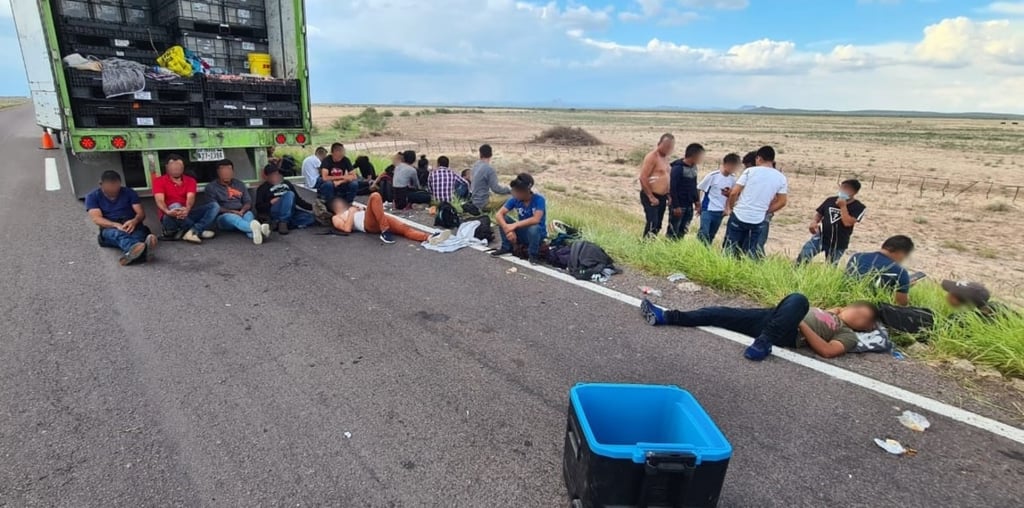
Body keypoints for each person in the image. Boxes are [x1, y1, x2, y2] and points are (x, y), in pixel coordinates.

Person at [641, 294, 879, 361]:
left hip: (789, 333)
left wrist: (802, 325)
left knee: (799, 299)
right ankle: (666, 317)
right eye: (857, 309)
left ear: (866, 327)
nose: (856, 315)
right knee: (717, 313)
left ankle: (764, 343)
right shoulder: (828, 312)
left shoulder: (848, 334)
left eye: (863, 318)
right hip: (771, 319)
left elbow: (827, 351)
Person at [723, 146, 788, 258]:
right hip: (758, 219)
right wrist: (765, 210)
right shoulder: (781, 178)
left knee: (730, 248)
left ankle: (725, 270)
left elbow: (734, 193)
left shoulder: (750, 171)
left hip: (739, 215)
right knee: (751, 251)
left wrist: (732, 207)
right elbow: (782, 201)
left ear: (758, 158)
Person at [86, 170, 157, 265]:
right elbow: (96, 218)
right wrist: (115, 225)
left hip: (131, 224)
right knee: (117, 235)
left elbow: (141, 213)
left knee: (138, 234)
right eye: (109, 188)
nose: (114, 191)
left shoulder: (129, 192)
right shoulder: (93, 197)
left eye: (116, 187)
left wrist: (134, 221)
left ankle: (133, 254)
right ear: (101, 184)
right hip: (110, 227)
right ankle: (141, 251)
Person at [152, 153, 219, 244]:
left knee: (214, 206)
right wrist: (167, 211)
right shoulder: (159, 181)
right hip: (169, 216)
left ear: (183, 167)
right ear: (167, 167)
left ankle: (193, 230)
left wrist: (187, 209)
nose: (176, 168)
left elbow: (190, 198)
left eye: (179, 166)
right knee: (176, 205)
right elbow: (159, 200)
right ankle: (198, 231)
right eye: (173, 166)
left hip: (186, 214)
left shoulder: (190, 181)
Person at [797, 180, 867, 265]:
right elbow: (819, 214)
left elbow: (847, 223)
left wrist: (843, 206)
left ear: (854, 192)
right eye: (842, 187)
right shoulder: (830, 200)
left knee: (831, 265)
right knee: (803, 257)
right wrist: (814, 222)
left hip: (838, 243)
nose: (843, 190)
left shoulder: (859, 207)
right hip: (821, 237)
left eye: (847, 188)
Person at [330, 193, 439, 244]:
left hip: (378, 219)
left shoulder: (352, 208)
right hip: (367, 224)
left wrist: (360, 209)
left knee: (404, 228)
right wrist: (351, 213)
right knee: (375, 196)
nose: (341, 204)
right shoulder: (336, 217)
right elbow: (347, 229)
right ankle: (385, 231)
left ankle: (428, 238)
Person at [206, 159, 270, 245]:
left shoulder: (239, 184)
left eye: (229, 170)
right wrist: (232, 212)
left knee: (249, 215)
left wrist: (242, 210)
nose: (226, 173)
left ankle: (255, 233)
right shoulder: (211, 187)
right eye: (223, 171)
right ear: (218, 172)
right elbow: (214, 207)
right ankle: (261, 229)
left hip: (242, 211)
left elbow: (248, 201)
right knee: (233, 218)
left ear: (233, 171)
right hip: (225, 216)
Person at [491, 173, 547, 264]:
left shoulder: (539, 200)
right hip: (522, 232)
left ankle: (533, 255)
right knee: (504, 218)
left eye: (518, 191)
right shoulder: (514, 199)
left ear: (527, 190)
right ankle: (506, 248)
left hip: (536, 235)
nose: (516, 194)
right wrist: (508, 230)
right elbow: (499, 214)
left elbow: (536, 219)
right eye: (515, 191)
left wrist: (514, 226)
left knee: (534, 228)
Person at [847, 235, 915, 306]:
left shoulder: (857, 256)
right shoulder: (900, 272)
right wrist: (904, 286)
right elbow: (901, 304)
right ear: (901, 253)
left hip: (846, 299)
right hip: (871, 309)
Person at [255, 165, 316, 234]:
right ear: (267, 177)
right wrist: (270, 203)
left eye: (276, 174)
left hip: (291, 210)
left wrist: (313, 207)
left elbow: (298, 200)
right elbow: (258, 207)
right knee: (290, 194)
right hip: (275, 210)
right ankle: (283, 222)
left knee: (311, 218)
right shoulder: (262, 188)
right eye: (272, 175)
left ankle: (279, 223)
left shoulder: (287, 183)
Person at [697, 153, 740, 244]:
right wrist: (698, 204)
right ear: (725, 164)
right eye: (732, 166)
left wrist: (727, 208)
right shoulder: (713, 176)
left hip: (720, 211)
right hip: (708, 209)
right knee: (704, 233)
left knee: (712, 234)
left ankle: (706, 251)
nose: (733, 169)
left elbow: (731, 195)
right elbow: (700, 188)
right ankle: (697, 249)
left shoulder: (733, 179)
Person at [639, 134, 674, 238]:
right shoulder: (652, 157)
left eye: (670, 146)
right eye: (666, 145)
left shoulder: (666, 158)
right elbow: (643, 177)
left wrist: (668, 194)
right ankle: (644, 246)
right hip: (651, 195)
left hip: (662, 197)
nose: (668, 148)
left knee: (658, 225)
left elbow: (665, 177)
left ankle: (651, 245)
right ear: (659, 144)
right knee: (652, 223)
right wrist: (650, 196)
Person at [668, 143, 704, 240]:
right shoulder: (677, 168)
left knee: (683, 230)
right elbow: (672, 188)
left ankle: (678, 248)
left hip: (689, 205)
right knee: (673, 231)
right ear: (694, 155)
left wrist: (697, 201)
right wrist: (676, 206)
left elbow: (693, 185)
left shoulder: (694, 168)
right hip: (679, 205)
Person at [470, 144, 511, 211]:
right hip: (483, 202)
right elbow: (496, 189)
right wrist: (509, 190)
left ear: (480, 154)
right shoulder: (489, 169)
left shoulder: (476, 165)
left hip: (474, 200)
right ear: (491, 154)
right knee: (511, 198)